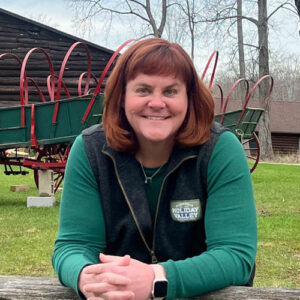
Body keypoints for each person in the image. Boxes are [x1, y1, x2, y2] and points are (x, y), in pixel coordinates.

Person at [52, 38, 257, 300]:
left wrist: (156, 278)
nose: (157, 103)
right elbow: (73, 246)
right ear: (122, 97)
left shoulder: (219, 150)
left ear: (189, 98)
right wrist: (86, 276)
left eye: (171, 91)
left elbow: (235, 255)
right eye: (143, 90)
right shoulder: (90, 150)